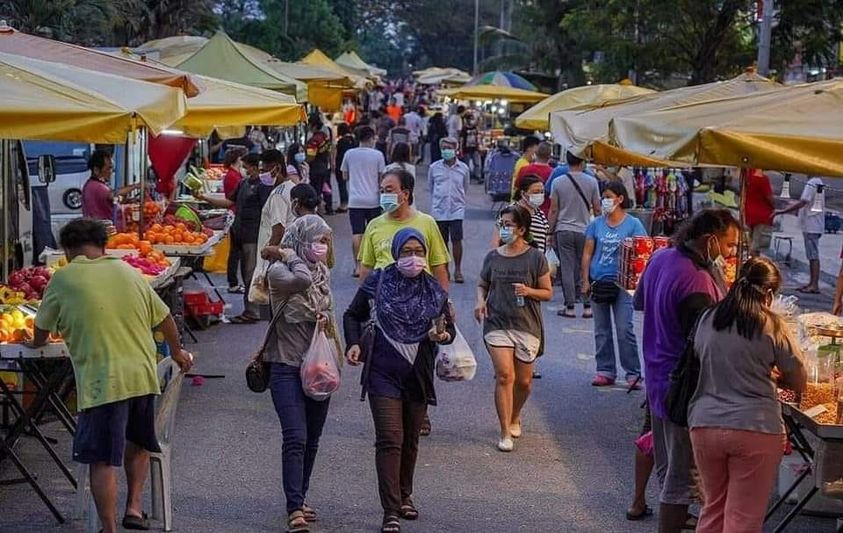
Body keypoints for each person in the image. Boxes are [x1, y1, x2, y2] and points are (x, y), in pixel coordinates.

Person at [31, 218, 193, 533]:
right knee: (138, 443)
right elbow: (165, 319)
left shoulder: (63, 279)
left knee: (102, 459)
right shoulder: (129, 272)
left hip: (102, 382)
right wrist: (176, 352)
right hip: (143, 377)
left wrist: (36, 343)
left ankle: (108, 527)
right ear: (103, 246)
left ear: (68, 249)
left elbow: (41, 329)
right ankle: (133, 507)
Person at [633, 209, 740, 533]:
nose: (730, 252)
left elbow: (640, 302)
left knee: (670, 472)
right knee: (680, 482)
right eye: (728, 245)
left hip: (656, 378)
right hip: (683, 388)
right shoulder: (697, 282)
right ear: (710, 241)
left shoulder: (661, 257)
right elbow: (710, 343)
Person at [344, 229, 455, 533]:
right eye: (406, 252)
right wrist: (352, 343)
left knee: (410, 439)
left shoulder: (434, 289)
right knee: (390, 438)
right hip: (382, 371)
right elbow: (352, 315)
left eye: (418, 252)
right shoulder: (377, 282)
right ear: (395, 253)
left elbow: (449, 331)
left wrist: (443, 335)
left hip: (417, 375)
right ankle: (390, 509)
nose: (413, 258)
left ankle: (405, 494)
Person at [688, 256, 806, 533]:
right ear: (767, 293)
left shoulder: (708, 317)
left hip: (705, 424)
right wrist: (777, 377)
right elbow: (799, 378)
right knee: (743, 518)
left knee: (713, 509)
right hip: (756, 428)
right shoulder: (772, 324)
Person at [260, 215, 337, 533]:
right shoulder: (279, 272)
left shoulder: (323, 273)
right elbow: (301, 281)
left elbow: (328, 313)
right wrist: (286, 253)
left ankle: (301, 496)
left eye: (325, 241)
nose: (322, 247)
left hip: (318, 368)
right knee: (296, 436)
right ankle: (294, 508)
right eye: (317, 240)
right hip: (286, 366)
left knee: (313, 439)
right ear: (300, 240)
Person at [476, 205, 552, 452]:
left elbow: (547, 293)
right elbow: (482, 284)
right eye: (502, 223)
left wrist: (529, 291)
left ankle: (515, 415)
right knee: (504, 375)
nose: (504, 228)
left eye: (509, 224)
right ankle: (504, 431)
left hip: (526, 324)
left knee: (524, 382)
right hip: (497, 322)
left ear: (521, 229)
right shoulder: (493, 256)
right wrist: (480, 302)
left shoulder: (535, 258)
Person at [582, 182, 646, 388]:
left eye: (608, 196)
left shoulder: (633, 224)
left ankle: (633, 372)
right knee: (601, 329)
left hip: (623, 286)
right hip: (598, 282)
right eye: (603, 197)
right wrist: (584, 280)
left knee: (624, 328)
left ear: (620, 199)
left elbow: (643, 251)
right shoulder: (596, 225)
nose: (605, 201)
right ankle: (605, 370)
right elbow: (587, 253)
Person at [197, 153, 273, 323]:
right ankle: (252, 310)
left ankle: (254, 311)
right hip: (239, 232)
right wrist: (204, 197)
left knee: (251, 274)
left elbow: (267, 213)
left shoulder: (263, 187)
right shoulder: (243, 183)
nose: (243, 169)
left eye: (245, 167)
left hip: (253, 235)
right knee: (247, 272)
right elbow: (228, 202)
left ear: (254, 167)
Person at [359, 169, 451, 290]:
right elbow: (367, 267)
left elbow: (438, 265)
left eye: (389, 190)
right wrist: (364, 301)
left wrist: (444, 301)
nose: (384, 195)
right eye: (382, 191)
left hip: (421, 298)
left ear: (406, 194)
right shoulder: (374, 225)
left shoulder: (427, 223)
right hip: (385, 299)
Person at [547, 151, 601, 319]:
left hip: (563, 229)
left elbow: (554, 209)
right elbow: (597, 209)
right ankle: (587, 306)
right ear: (582, 162)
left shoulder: (558, 182)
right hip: (586, 230)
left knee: (567, 268)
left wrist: (550, 231)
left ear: (567, 161)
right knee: (585, 267)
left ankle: (569, 306)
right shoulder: (592, 182)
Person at [341, 126, 387, 277]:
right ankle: (372, 265)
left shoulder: (349, 154)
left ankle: (357, 267)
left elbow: (344, 176)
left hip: (355, 200)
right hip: (374, 200)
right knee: (374, 233)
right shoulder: (378, 155)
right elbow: (382, 179)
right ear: (371, 138)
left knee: (357, 233)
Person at [428, 137, 469, 283]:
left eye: (449, 148)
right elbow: (431, 188)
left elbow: (465, 187)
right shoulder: (434, 168)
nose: (446, 151)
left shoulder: (463, 168)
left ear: (456, 149)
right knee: (441, 242)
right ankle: (444, 270)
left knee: (457, 240)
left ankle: (457, 270)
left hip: (456, 209)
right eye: (443, 148)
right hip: (439, 210)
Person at [775, 176, 826, 293]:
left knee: (813, 255)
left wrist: (783, 211)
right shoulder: (818, 182)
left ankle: (814, 284)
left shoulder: (812, 182)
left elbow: (803, 201)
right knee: (812, 255)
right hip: (814, 224)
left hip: (811, 225)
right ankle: (812, 282)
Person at [81, 149, 139, 221]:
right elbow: (113, 194)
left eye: (112, 168)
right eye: (109, 168)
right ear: (96, 170)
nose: (111, 172)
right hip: (101, 229)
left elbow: (110, 202)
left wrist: (126, 201)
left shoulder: (94, 184)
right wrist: (136, 186)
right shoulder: (95, 186)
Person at [221, 147, 248, 293]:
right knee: (236, 251)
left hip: (236, 214)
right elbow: (232, 199)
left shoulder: (236, 174)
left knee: (236, 251)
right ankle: (233, 282)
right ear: (239, 159)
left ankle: (234, 282)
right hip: (235, 215)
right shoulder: (232, 176)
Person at [515, 141, 553, 215]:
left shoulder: (524, 169)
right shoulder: (553, 173)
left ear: (535, 154)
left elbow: (517, 187)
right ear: (549, 156)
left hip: (524, 211)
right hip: (545, 212)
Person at [305, 117, 334, 215]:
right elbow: (330, 150)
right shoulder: (325, 137)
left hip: (315, 169)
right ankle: (328, 208)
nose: (307, 126)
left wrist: (304, 162)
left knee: (315, 191)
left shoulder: (314, 140)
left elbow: (311, 156)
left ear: (314, 126)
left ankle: (317, 212)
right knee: (325, 188)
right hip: (325, 167)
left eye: (309, 124)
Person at [744, 169, 774, 256]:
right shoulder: (762, 179)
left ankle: (750, 261)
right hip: (762, 215)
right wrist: (775, 206)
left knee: (751, 241)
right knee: (756, 246)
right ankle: (754, 264)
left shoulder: (747, 175)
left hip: (749, 213)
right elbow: (769, 197)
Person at [335, 123, 358, 213]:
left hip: (341, 165)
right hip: (353, 165)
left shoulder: (341, 141)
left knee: (342, 185)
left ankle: (344, 204)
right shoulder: (354, 140)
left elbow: (338, 153)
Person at [460, 112, 481, 181]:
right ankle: (467, 177)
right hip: (466, 148)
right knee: (466, 164)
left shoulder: (475, 128)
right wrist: (460, 149)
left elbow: (477, 137)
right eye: (469, 119)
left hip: (474, 148)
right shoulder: (464, 129)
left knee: (477, 163)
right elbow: (462, 139)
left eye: (472, 119)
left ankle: (478, 176)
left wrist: (479, 145)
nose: (471, 120)